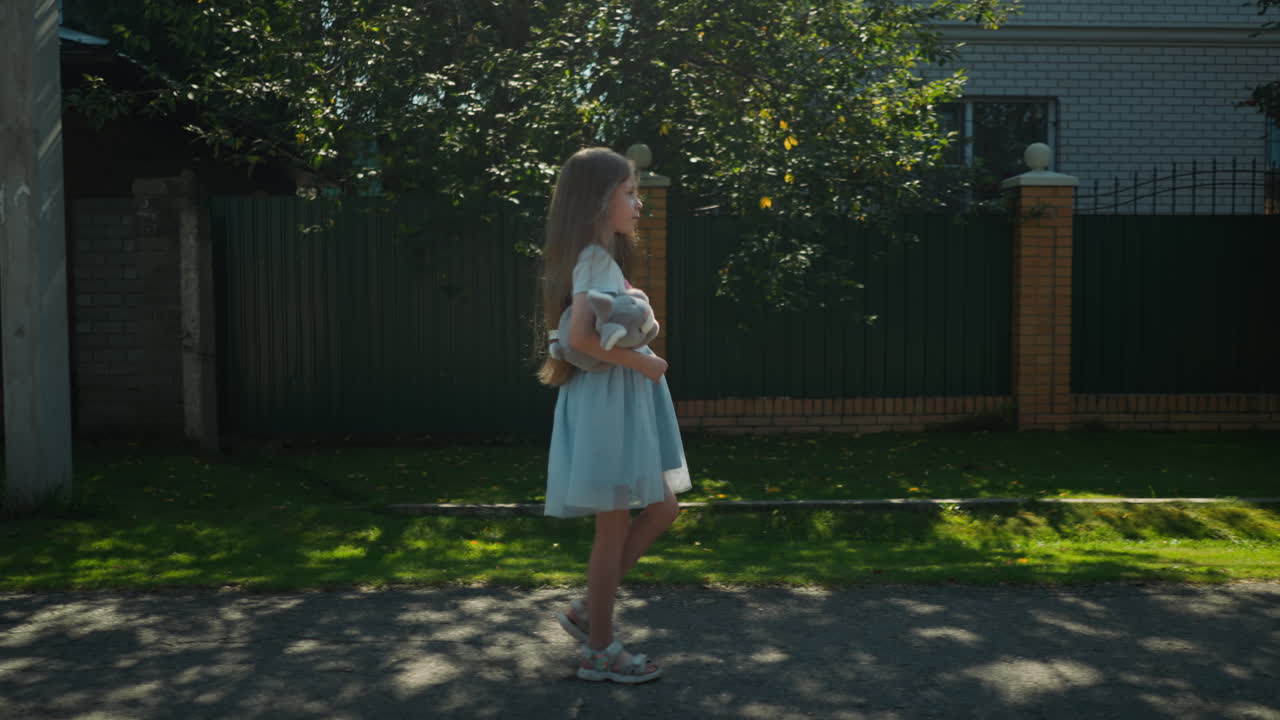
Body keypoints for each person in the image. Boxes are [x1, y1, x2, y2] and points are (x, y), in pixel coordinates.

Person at [535, 147, 691, 684]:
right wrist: (643, 363)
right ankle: (599, 650)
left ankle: (587, 611)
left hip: (613, 399)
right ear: (599, 200)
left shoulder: (596, 256)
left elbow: (582, 335)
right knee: (614, 524)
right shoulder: (594, 260)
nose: (638, 202)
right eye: (628, 192)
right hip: (610, 401)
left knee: (663, 507)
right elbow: (578, 337)